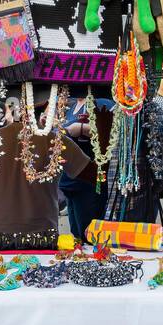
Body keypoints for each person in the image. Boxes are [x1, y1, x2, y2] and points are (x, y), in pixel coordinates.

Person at [0, 88, 96, 239]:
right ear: (46, 106)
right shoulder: (55, 140)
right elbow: (97, 177)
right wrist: (102, 138)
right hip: (42, 237)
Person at [59, 97, 104, 243]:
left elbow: (105, 130)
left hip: (87, 175)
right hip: (70, 177)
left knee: (87, 231)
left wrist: (82, 129)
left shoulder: (100, 102)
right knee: (76, 232)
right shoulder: (72, 104)